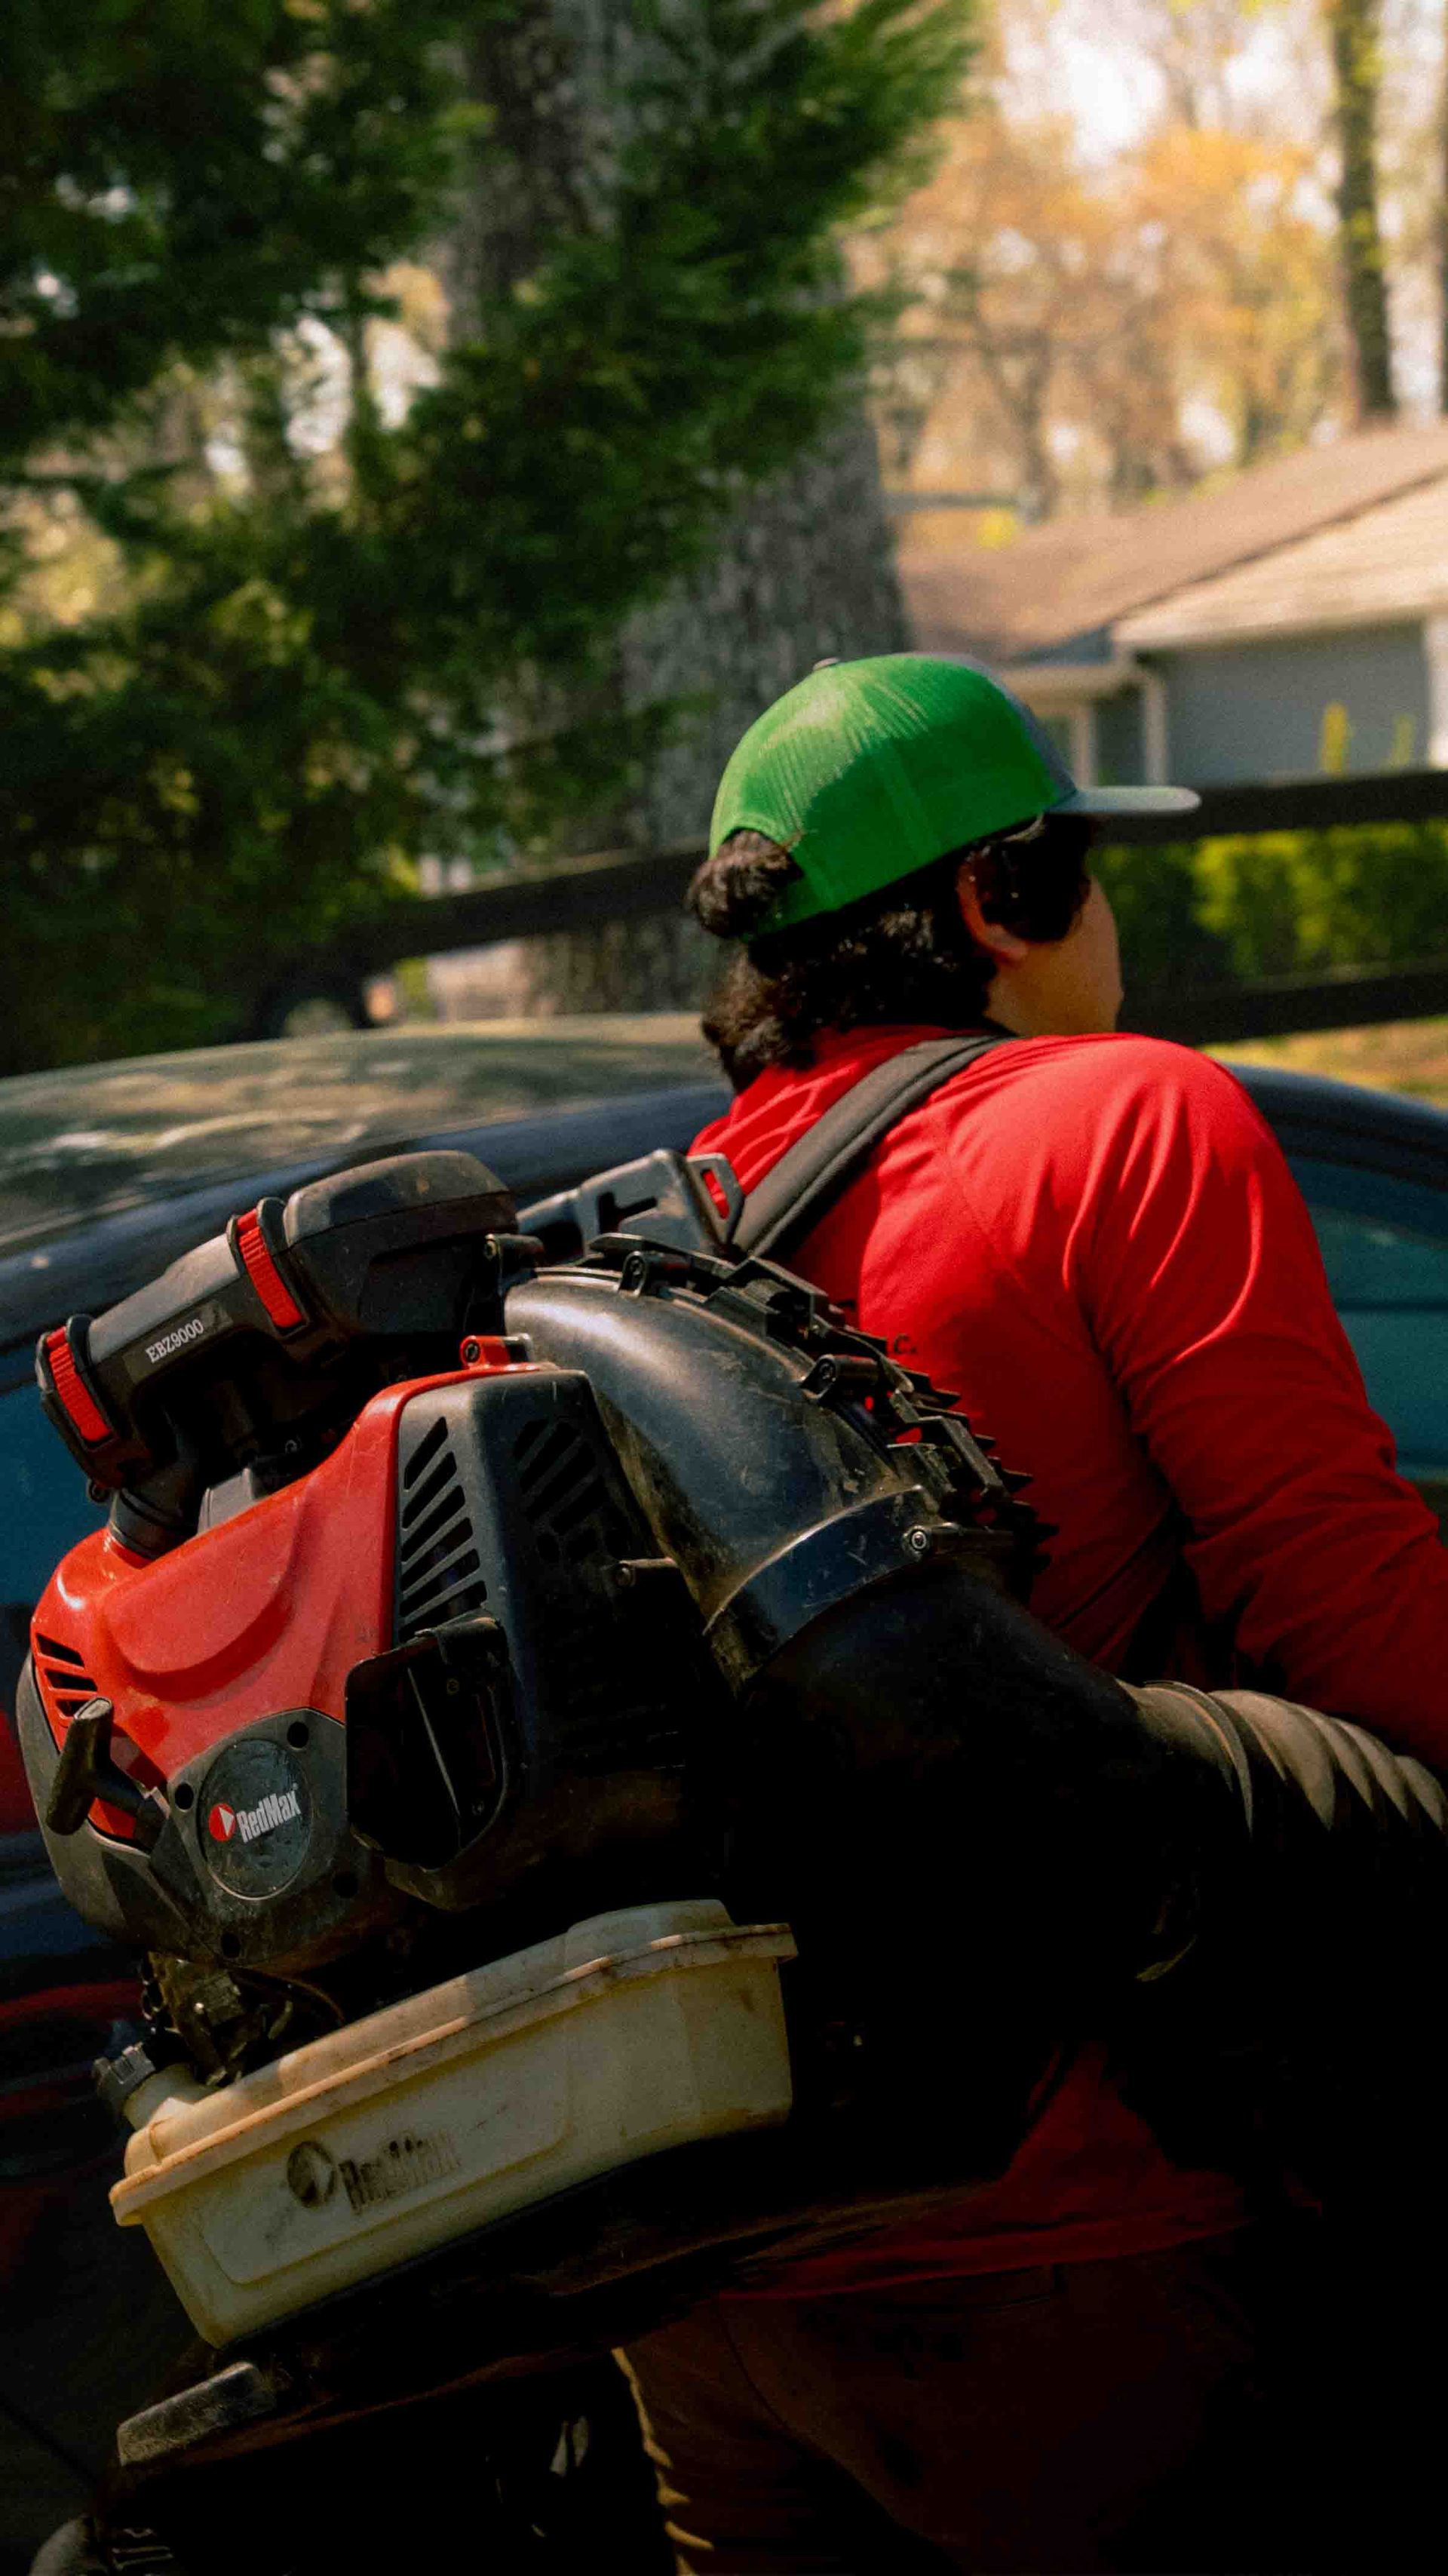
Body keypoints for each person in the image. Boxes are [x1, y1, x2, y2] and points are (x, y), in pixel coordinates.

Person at [618, 654, 1448, 2574]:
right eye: (1083, 864)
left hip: (713, 2288)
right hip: (1077, 2236)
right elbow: (1339, 1600)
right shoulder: (1121, 1122)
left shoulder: (654, 1239)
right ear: (998, 899)